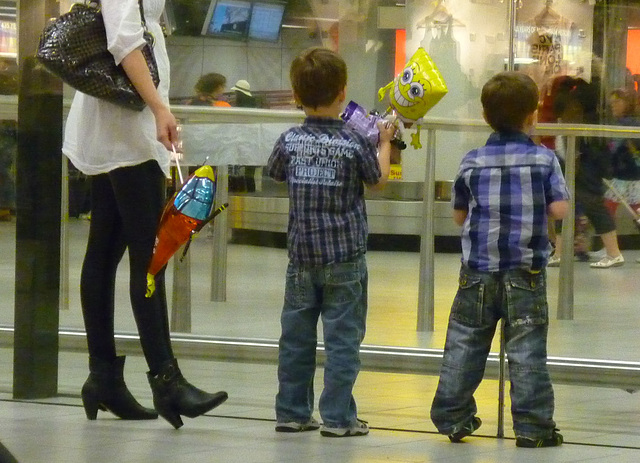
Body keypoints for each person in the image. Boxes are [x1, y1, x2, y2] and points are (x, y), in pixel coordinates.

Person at [62, 0, 228, 429]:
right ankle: (166, 381)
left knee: (106, 248)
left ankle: (104, 378)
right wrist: (159, 108)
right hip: (127, 126)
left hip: (115, 122)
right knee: (149, 257)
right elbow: (123, 41)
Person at [430, 71, 568, 448]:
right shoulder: (544, 160)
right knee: (526, 352)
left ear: (485, 115)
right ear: (531, 116)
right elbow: (559, 209)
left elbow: (459, 215)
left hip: (476, 271)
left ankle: (452, 417)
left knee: (464, 343)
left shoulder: (472, 161)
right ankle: (533, 428)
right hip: (526, 270)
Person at [266, 47, 395, 438]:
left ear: (295, 94)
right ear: (343, 93)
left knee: (295, 340)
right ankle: (338, 418)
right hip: (345, 258)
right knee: (342, 342)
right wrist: (386, 141)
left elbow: (274, 173)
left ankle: (291, 411)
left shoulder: (289, 140)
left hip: (301, 257)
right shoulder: (356, 141)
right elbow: (378, 179)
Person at [548, 78, 624, 269]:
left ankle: (612, 253)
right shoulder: (592, 120)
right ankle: (561, 252)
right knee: (582, 207)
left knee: (590, 207)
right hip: (582, 169)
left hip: (581, 170)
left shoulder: (580, 122)